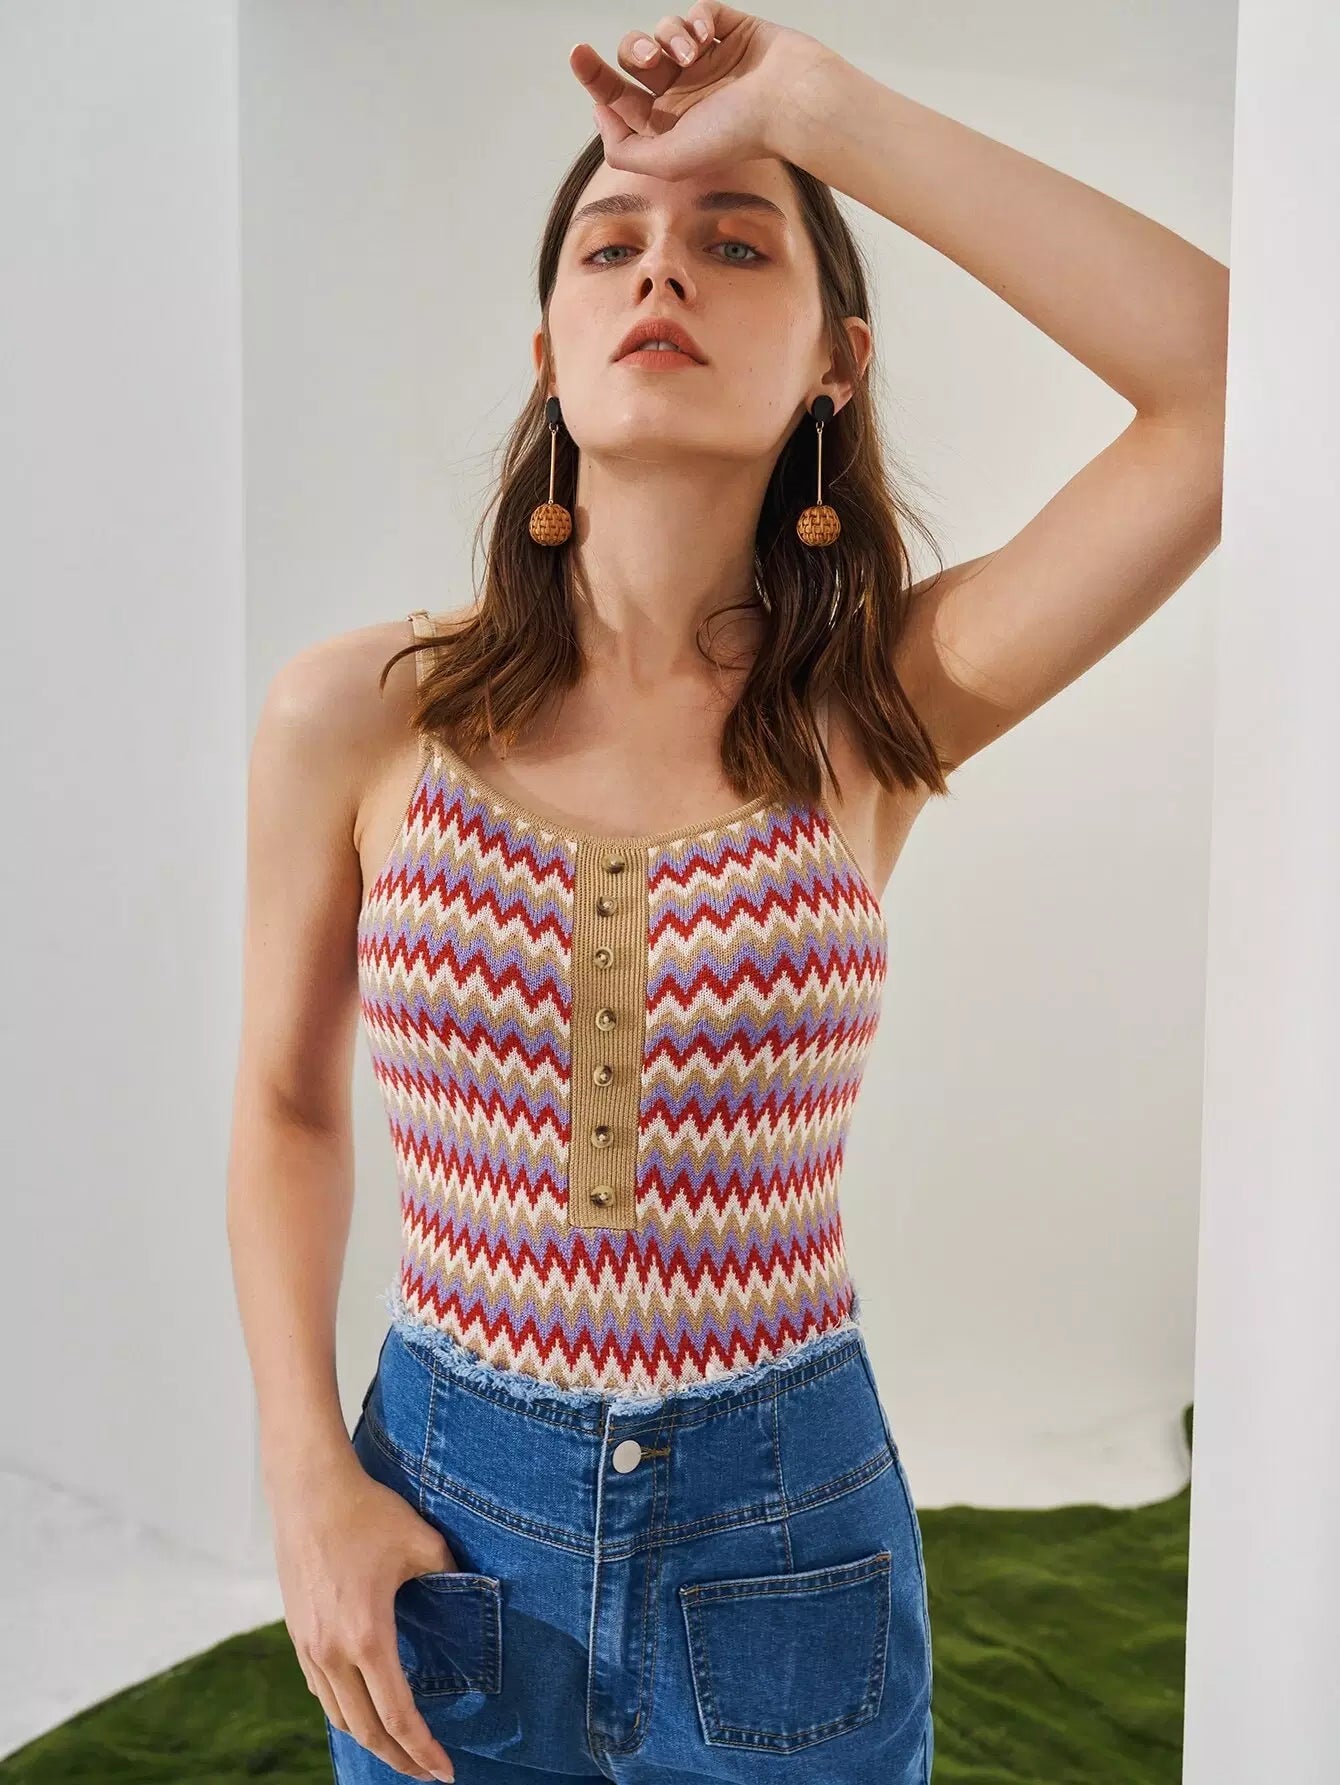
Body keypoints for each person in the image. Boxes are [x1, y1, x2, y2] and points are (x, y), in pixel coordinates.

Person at [226, 6, 1226, 1781]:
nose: (661, 269)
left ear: (840, 361)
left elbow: (1235, 389)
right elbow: (289, 1103)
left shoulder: (881, 707)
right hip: (442, 1523)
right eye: (610, 244)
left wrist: (824, 109)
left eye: (737, 240)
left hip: (790, 1540)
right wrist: (306, 1476)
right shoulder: (361, 712)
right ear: (549, 350)